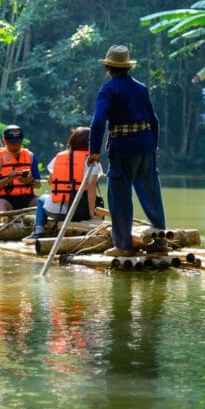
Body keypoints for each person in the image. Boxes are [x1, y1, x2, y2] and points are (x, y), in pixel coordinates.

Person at [87, 45, 167, 257]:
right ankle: (160, 242)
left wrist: (94, 150)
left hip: (122, 149)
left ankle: (123, 246)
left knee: (120, 198)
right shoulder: (141, 88)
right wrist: (152, 145)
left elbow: (98, 122)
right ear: (126, 67)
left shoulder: (108, 89)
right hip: (146, 147)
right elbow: (154, 120)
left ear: (109, 68)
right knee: (151, 193)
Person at [25, 127, 103, 242]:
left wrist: (63, 190)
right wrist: (92, 213)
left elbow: (51, 181)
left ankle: (38, 231)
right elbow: (91, 187)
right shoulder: (92, 161)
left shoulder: (59, 157)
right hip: (81, 212)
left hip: (57, 211)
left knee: (42, 199)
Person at [0, 124, 41, 211]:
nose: (15, 146)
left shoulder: (30, 156)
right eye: (12, 143)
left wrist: (31, 181)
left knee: (40, 202)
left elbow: (38, 185)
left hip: (27, 198)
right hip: (5, 198)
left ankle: (39, 223)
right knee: (0, 203)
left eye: (18, 143)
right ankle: (4, 220)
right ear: (4, 141)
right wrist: (8, 179)